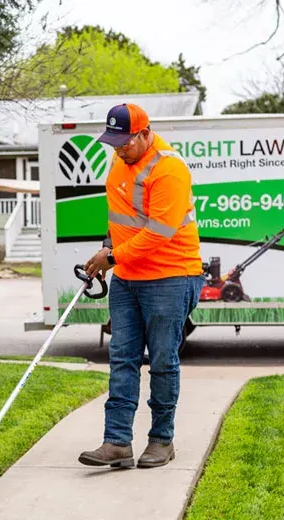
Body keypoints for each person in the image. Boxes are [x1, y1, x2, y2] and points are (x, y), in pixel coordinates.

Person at [77, 103, 204, 469]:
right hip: (128, 279)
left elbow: (160, 233)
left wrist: (112, 258)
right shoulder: (120, 162)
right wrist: (106, 247)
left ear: (146, 133)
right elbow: (120, 220)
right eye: (113, 142)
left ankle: (162, 440)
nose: (118, 149)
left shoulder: (169, 170)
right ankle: (116, 441)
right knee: (122, 358)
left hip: (170, 275)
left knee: (163, 360)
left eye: (125, 142)